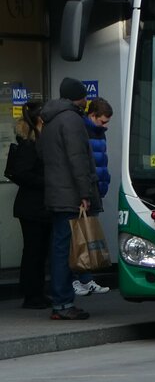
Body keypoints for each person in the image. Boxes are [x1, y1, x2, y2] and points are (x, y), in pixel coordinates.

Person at [38, 77, 101, 321]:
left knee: (60, 247)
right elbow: (78, 159)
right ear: (78, 96)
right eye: (84, 96)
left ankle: (60, 301)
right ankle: (63, 303)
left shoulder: (49, 120)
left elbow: (42, 154)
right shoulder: (72, 119)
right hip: (71, 195)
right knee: (67, 251)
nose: (87, 100)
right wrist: (84, 193)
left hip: (56, 192)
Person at [5, 101, 52, 309]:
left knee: (37, 251)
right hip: (33, 206)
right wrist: (47, 182)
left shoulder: (35, 141)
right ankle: (32, 295)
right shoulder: (29, 144)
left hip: (34, 205)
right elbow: (24, 174)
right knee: (35, 251)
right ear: (40, 119)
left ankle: (35, 293)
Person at [73, 98, 114, 297]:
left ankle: (85, 279)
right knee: (80, 238)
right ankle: (78, 278)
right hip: (88, 190)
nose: (105, 125)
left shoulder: (97, 132)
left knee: (86, 238)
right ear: (92, 115)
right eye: (103, 121)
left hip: (94, 189)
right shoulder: (85, 131)